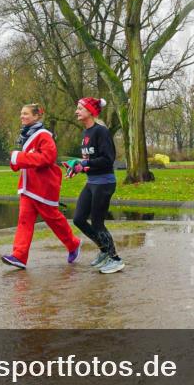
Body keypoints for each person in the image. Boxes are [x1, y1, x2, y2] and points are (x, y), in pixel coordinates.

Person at [2, 104, 82, 270]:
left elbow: (47, 157)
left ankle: (73, 244)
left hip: (43, 187)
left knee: (54, 220)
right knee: (24, 221)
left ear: (36, 116)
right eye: (21, 113)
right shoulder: (23, 136)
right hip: (27, 187)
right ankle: (19, 256)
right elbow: (21, 160)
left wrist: (19, 157)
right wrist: (15, 160)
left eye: (25, 114)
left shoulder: (44, 136)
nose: (21, 116)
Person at [68, 97, 124, 274]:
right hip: (92, 182)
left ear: (90, 112)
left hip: (104, 183)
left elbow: (108, 160)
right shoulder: (86, 133)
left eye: (80, 108)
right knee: (78, 219)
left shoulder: (101, 132)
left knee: (98, 223)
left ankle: (115, 259)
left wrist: (84, 164)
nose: (76, 111)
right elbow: (89, 161)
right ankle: (104, 251)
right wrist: (78, 167)